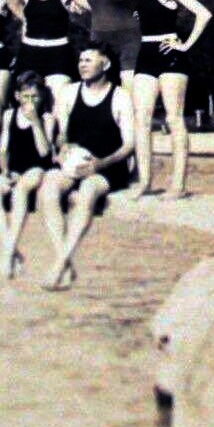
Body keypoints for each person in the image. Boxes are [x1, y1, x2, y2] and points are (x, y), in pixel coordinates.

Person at [37, 42, 134, 291]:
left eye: (89, 60)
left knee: (87, 192)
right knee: (48, 190)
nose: (82, 64)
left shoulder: (120, 97)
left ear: (106, 64)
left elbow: (129, 145)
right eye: (80, 60)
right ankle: (64, 258)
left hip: (107, 165)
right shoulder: (69, 92)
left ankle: (58, 266)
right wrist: (62, 149)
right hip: (75, 161)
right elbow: (61, 134)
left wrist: (100, 165)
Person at [127, 0, 213, 199]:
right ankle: (145, 182)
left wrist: (185, 44)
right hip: (146, 54)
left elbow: (203, 14)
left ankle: (178, 185)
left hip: (170, 55)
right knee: (140, 119)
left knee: (173, 118)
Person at [0, 70, 56, 279]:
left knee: (20, 192)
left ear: (42, 97)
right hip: (15, 166)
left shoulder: (47, 118)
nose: (29, 101)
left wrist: (35, 122)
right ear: (16, 96)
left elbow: (45, 152)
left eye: (34, 97)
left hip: (37, 166)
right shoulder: (9, 115)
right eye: (25, 96)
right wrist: (5, 170)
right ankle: (12, 249)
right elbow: (2, 149)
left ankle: (7, 255)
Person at [13, 0, 83, 103]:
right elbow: (25, 20)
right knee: (27, 103)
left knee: (59, 101)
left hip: (58, 53)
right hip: (29, 53)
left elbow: (88, 9)